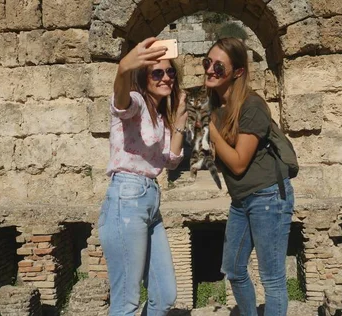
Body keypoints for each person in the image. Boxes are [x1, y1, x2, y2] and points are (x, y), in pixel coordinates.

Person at [204, 37, 295, 316]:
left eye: (219, 67)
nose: (209, 70)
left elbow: (240, 163)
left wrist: (210, 130)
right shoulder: (218, 108)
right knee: (233, 269)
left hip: (268, 196)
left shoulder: (251, 106)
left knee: (272, 279)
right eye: (207, 63)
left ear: (238, 72)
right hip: (242, 199)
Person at [98, 37, 188, 316]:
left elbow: (169, 162)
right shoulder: (135, 102)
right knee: (126, 301)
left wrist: (180, 122)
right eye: (157, 72)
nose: (166, 77)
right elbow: (120, 102)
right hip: (127, 199)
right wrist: (123, 68)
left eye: (170, 72)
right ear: (143, 76)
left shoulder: (160, 117)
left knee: (165, 295)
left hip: (150, 201)